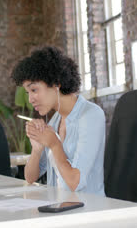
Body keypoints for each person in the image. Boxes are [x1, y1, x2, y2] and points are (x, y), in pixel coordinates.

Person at [11, 46, 106, 195]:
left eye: (34, 90)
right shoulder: (55, 121)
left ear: (56, 84)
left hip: (88, 210)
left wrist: (55, 144)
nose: (30, 99)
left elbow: (76, 182)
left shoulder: (91, 115)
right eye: (28, 92)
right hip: (59, 208)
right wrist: (37, 149)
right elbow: (30, 177)